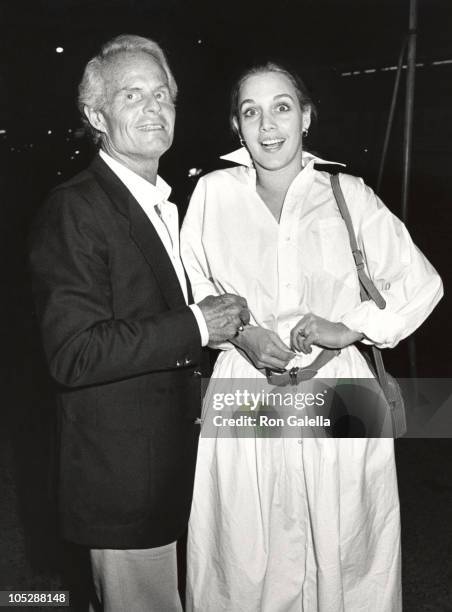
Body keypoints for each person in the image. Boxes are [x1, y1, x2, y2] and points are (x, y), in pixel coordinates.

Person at [180, 62, 443, 611]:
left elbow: (421, 283)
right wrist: (242, 335)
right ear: (236, 125)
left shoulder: (349, 192)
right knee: (244, 551)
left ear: (306, 116)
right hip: (246, 386)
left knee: (349, 550)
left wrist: (352, 326)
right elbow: (195, 288)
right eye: (251, 111)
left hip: (340, 385)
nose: (267, 124)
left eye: (282, 106)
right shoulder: (212, 195)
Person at [29, 34, 249, 612]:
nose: (154, 108)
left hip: (174, 470)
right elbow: (74, 353)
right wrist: (198, 325)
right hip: (123, 485)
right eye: (133, 95)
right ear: (96, 115)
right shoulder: (75, 208)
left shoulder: (166, 202)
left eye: (162, 95)